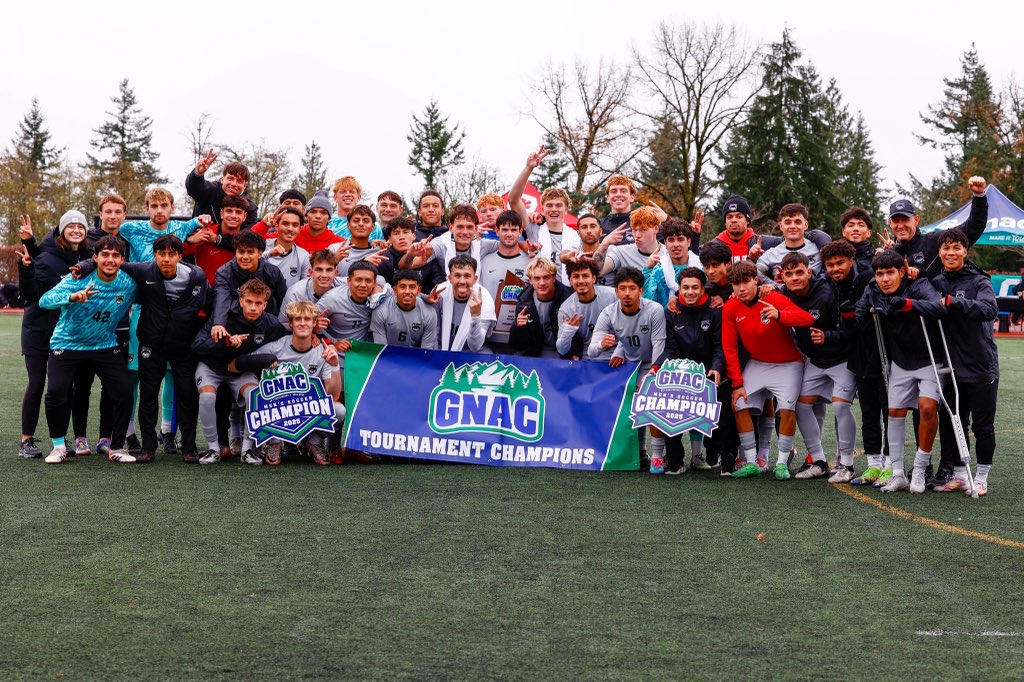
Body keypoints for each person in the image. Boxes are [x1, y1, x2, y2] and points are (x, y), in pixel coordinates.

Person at [74, 234, 209, 463]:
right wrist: (83, 265)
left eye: (171, 254)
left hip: (183, 346)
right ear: (155, 255)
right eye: (161, 254)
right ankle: (148, 448)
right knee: (148, 394)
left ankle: (189, 448)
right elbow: (115, 262)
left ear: (180, 256)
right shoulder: (145, 271)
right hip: (151, 344)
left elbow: (211, 303)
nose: (166, 259)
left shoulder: (196, 276)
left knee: (187, 394)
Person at [854, 249, 947, 493]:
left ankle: (919, 469)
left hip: (929, 358)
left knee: (927, 407)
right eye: (879, 274)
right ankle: (897, 473)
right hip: (900, 361)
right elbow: (860, 316)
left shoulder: (918, 284)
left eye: (890, 273)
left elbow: (939, 308)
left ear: (902, 271)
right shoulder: (873, 289)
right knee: (894, 412)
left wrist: (910, 305)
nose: (884, 279)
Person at [39, 236, 137, 464]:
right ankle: (59, 447)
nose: (110, 260)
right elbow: (45, 300)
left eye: (115, 256)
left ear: (122, 260)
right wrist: (72, 297)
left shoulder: (128, 284)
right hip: (67, 344)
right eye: (105, 255)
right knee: (56, 391)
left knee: (123, 389)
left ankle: (118, 447)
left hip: (104, 345)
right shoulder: (78, 278)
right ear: (95, 258)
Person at [721, 260, 814, 480]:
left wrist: (780, 315)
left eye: (746, 282)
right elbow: (729, 347)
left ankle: (781, 462)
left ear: (756, 280)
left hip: (788, 364)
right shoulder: (731, 306)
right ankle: (752, 462)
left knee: (786, 409)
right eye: (736, 284)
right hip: (758, 363)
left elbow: (806, 318)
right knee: (739, 403)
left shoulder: (771, 297)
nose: (741, 288)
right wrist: (736, 384)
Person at [16, 212, 92, 459]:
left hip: (67, 334)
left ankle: (59, 438)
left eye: (81, 226)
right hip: (38, 331)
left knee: (63, 387)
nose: (76, 230)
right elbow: (31, 294)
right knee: (37, 383)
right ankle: (26, 440)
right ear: (61, 231)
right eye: (71, 226)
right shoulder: (47, 259)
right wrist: (25, 269)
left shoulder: (86, 258)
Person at [930, 228, 998, 495]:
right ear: (940, 252)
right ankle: (959, 474)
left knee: (983, 425)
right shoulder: (936, 281)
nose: (951, 253)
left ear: (965, 251)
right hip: (950, 364)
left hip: (981, 364)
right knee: (952, 422)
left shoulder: (980, 280)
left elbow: (988, 310)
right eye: (946, 248)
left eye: (956, 248)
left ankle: (980, 478)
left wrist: (956, 302)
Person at [232, 300, 342, 466]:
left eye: (307, 319)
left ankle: (314, 442)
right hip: (278, 408)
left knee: (339, 410)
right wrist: (261, 361)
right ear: (290, 323)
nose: (303, 323)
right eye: (298, 319)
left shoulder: (324, 352)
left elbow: (332, 396)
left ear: (314, 323)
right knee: (260, 397)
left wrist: (334, 367)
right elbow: (237, 364)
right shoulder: (276, 347)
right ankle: (274, 442)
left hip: (306, 407)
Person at [191, 278, 289, 465]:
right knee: (207, 398)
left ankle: (247, 449)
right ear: (241, 301)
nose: (253, 307)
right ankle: (213, 448)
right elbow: (196, 346)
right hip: (212, 366)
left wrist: (318, 340)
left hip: (241, 371)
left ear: (265, 305)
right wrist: (225, 341)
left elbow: (290, 341)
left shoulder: (271, 324)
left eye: (258, 303)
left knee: (255, 396)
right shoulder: (222, 316)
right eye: (249, 302)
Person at [778, 252, 857, 481]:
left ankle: (848, 465)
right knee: (801, 406)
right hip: (815, 361)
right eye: (789, 274)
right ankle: (819, 461)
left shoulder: (827, 293)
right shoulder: (783, 294)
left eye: (799, 272)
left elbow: (851, 330)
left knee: (841, 407)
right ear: (782, 277)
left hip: (841, 358)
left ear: (809, 272)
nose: (794, 278)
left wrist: (828, 336)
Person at [820, 240, 887, 486]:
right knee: (868, 412)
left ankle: (891, 465)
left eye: (840, 263)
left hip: (880, 352)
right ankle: (872, 466)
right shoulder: (826, 282)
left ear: (851, 261)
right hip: (855, 355)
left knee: (889, 412)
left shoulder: (868, 278)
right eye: (830, 265)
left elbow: (859, 320)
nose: (836, 268)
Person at [587, 266, 666, 470]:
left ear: (641, 291)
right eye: (623, 288)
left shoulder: (654, 310)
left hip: (653, 365)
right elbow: (592, 351)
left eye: (632, 288)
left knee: (650, 401)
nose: (627, 293)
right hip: (630, 366)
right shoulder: (609, 313)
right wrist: (604, 346)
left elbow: (659, 347)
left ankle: (657, 456)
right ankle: (638, 452)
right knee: (627, 407)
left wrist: (652, 376)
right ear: (616, 291)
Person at [657, 267, 733, 474]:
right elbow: (671, 348)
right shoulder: (672, 311)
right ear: (679, 290)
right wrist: (657, 367)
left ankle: (714, 452)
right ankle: (675, 459)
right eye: (685, 288)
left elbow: (719, 346)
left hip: (710, 369)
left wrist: (717, 369)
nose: (689, 292)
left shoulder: (715, 311)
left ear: (702, 290)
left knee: (721, 405)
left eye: (694, 288)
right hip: (682, 371)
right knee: (667, 403)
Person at [886, 176, 988, 280]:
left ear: (916, 220)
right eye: (895, 221)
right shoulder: (888, 255)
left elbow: (973, 227)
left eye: (905, 220)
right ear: (890, 223)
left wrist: (979, 196)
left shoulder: (934, 240)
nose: (900, 226)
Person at [508, 146, 581, 282]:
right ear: (543, 209)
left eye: (559, 205)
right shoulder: (534, 228)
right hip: (540, 291)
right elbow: (513, 199)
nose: (554, 209)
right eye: (549, 205)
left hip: (568, 292)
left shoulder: (575, 235)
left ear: (566, 210)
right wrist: (529, 168)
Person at [210, 229, 288, 332]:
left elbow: (283, 301)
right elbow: (221, 299)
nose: (245, 257)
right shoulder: (224, 273)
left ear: (260, 254)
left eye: (250, 252)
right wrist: (219, 323)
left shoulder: (273, 272)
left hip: (266, 325)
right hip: (234, 325)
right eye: (241, 252)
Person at [478, 210, 534, 349]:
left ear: (520, 231)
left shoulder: (530, 262)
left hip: (519, 336)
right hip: (488, 337)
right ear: (497, 231)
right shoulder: (484, 260)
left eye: (514, 230)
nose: (509, 234)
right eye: (504, 229)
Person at [430, 255, 496, 352]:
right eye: (457, 275)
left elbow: (475, 346)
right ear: (449, 278)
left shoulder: (485, 299)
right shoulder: (439, 292)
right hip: (440, 349)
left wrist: (476, 316)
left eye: (467, 276)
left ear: (475, 278)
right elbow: (432, 333)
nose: (462, 281)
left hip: (470, 353)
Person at [509, 258, 572, 358]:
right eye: (537, 278)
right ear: (530, 280)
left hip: (563, 352)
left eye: (546, 277)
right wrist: (518, 327)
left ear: (554, 277)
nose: (542, 283)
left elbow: (579, 336)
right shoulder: (524, 301)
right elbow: (518, 345)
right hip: (535, 351)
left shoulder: (569, 298)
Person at [555, 259, 617, 360]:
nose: (581, 281)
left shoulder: (613, 295)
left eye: (585, 276)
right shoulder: (566, 309)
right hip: (591, 358)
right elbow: (562, 350)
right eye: (576, 277)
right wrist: (568, 332)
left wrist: (621, 352)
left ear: (594, 278)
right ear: (570, 280)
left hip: (619, 355)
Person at [186, 194, 248, 284]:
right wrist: (190, 240)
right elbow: (178, 252)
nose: (233, 216)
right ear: (222, 214)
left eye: (238, 212)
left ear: (244, 216)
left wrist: (216, 239)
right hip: (207, 292)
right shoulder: (206, 232)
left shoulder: (247, 238)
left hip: (236, 293)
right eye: (229, 211)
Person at [187, 149, 258, 228]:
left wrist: (218, 239)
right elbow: (194, 188)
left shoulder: (250, 208)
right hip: (198, 238)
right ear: (222, 179)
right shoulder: (210, 191)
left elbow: (248, 235)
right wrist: (198, 173)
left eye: (239, 181)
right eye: (230, 179)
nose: (234, 184)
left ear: (245, 186)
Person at [370, 269, 438, 349]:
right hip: (388, 357)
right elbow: (380, 349)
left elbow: (426, 352)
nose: (407, 291)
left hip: (416, 358)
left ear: (418, 290)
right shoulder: (381, 311)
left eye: (412, 287)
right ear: (395, 290)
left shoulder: (429, 313)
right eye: (402, 287)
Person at [757, 203, 828, 279]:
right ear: (781, 226)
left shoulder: (818, 249)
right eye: (788, 222)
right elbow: (754, 274)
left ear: (806, 225)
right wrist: (775, 286)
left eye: (798, 222)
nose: (792, 226)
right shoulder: (771, 254)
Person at [642, 217, 702, 305]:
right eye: (671, 240)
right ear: (665, 243)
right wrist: (647, 270)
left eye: (680, 239)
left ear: (688, 242)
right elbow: (648, 302)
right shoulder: (659, 270)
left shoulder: (701, 267)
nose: (676, 244)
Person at [591, 206, 662, 279]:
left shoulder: (668, 253)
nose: (637, 235)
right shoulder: (621, 252)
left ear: (656, 229)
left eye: (643, 230)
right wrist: (604, 244)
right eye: (634, 230)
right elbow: (595, 272)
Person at [279, 249, 343, 322]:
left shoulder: (346, 286)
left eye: (329, 270)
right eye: (319, 269)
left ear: (336, 273)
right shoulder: (296, 293)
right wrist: (311, 328)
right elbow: (283, 324)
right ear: (310, 272)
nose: (324, 275)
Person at [332, 205, 391, 279]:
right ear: (349, 225)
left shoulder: (379, 252)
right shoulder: (335, 249)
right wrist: (334, 261)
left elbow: (382, 282)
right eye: (356, 221)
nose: (361, 224)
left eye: (366, 221)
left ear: (372, 227)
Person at [263, 207, 310, 287]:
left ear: (299, 229)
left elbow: (305, 287)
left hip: (291, 299)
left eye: (295, 225)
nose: (290, 229)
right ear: (276, 226)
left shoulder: (304, 256)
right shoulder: (262, 246)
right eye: (285, 224)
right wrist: (268, 254)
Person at [329, 176, 385, 240]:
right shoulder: (327, 224)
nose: (348, 195)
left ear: (359, 197)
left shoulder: (374, 227)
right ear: (335, 197)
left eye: (352, 192)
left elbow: (382, 248)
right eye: (343, 191)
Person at [838, 207, 878, 273]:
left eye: (861, 225)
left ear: (869, 233)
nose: (856, 229)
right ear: (843, 232)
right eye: (851, 225)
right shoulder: (833, 256)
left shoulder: (877, 257)